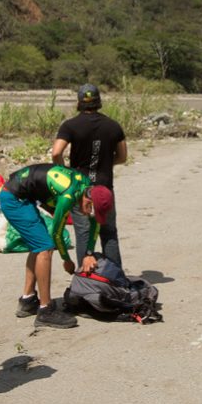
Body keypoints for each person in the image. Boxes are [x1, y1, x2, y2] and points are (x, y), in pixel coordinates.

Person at [0, 162, 112, 328]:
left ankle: (28, 300)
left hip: (25, 197)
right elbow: (57, 233)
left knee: (38, 245)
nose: (88, 212)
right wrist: (66, 259)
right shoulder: (68, 196)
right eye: (89, 207)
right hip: (13, 199)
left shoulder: (89, 188)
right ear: (88, 198)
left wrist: (89, 253)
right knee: (45, 247)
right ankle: (46, 311)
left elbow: (94, 224)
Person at [51, 83, 127, 270]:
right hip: (104, 188)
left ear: (79, 102)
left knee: (83, 233)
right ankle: (115, 280)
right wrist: (107, 163)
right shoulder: (113, 126)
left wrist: (65, 172)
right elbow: (123, 157)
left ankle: (85, 279)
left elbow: (56, 153)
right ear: (98, 101)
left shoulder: (70, 126)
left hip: (80, 189)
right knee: (108, 232)